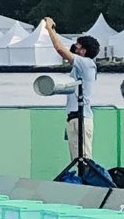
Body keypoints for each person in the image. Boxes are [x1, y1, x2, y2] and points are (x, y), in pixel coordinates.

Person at [41, 19, 100, 162]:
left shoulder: (86, 64)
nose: (73, 47)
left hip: (81, 117)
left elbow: (61, 50)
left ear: (83, 51)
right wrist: (54, 30)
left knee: (84, 160)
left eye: (77, 46)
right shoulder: (80, 66)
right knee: (76, 159)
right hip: (74, 118)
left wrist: (48, 29)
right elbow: (63, 47)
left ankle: (88, 183)